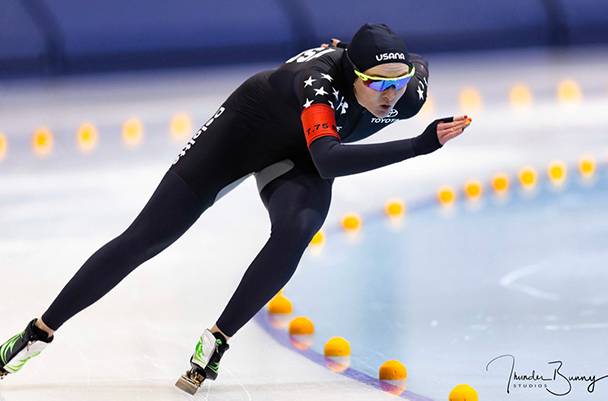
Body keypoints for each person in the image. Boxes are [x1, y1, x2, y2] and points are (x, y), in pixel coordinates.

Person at [0, 23, 471, 393]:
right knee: (147, 238)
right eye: (377, 84)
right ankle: (37, 333)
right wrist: (418, 145)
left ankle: (216, 340)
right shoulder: (318, 85)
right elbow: (328, 161)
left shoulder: (410, 90)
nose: (390, 95)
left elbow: (395, 79)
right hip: (242, 135)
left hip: (301, 155)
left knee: (296, 230)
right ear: (352, 74)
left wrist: (398, 79)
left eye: (399, 81)